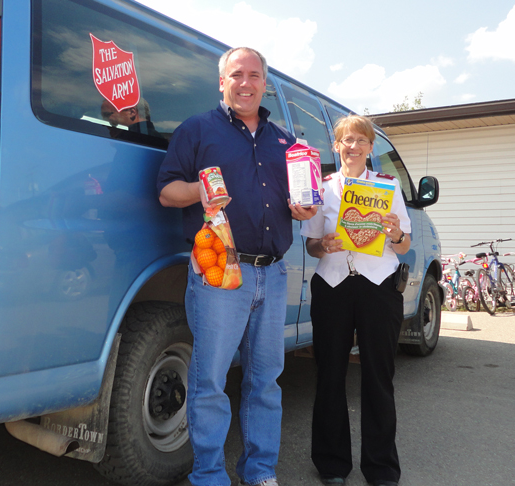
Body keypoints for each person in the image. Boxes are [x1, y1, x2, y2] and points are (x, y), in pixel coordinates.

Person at [157, 47, 316, 486]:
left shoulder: (284, 141)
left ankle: (260, 471)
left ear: (265, 83)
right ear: (222, 82)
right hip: (219, 270)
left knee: (266, 381)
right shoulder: (197, 129)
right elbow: (167, 191)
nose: (245, 83)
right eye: (236, 75)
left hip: (274, 270)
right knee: (209, 379)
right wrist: (198, 193)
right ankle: (208, 475)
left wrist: (301, 210)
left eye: (254, 75)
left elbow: (296, 202)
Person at [300, 114, 411, 486]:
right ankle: (332, 464)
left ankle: (380, 466)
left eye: (361, 140)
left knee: (379, 376)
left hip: (378, 286)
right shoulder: (323, 187)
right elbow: (312, 244)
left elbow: (405, 244)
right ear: (336, 146)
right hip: (332, 285)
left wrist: (395, 232)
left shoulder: (387, 186)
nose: (353, 146)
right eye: (346, 140)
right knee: (330, 374)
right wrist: (323, 244)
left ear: (370, 147)